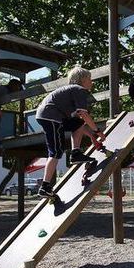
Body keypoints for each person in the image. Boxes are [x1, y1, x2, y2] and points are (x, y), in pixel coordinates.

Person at [35, 67, 106, 198]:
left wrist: (92, 136)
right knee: (56, 152)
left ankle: (76, 153)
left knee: (77, 123)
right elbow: (84, 114)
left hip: (51, 116)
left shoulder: (71, 91)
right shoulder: (79, 90)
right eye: (90, 79)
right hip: (50, 117)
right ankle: (45, 186)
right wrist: (97, 131)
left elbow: (80, 122)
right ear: (83, 80)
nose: (92, 82)